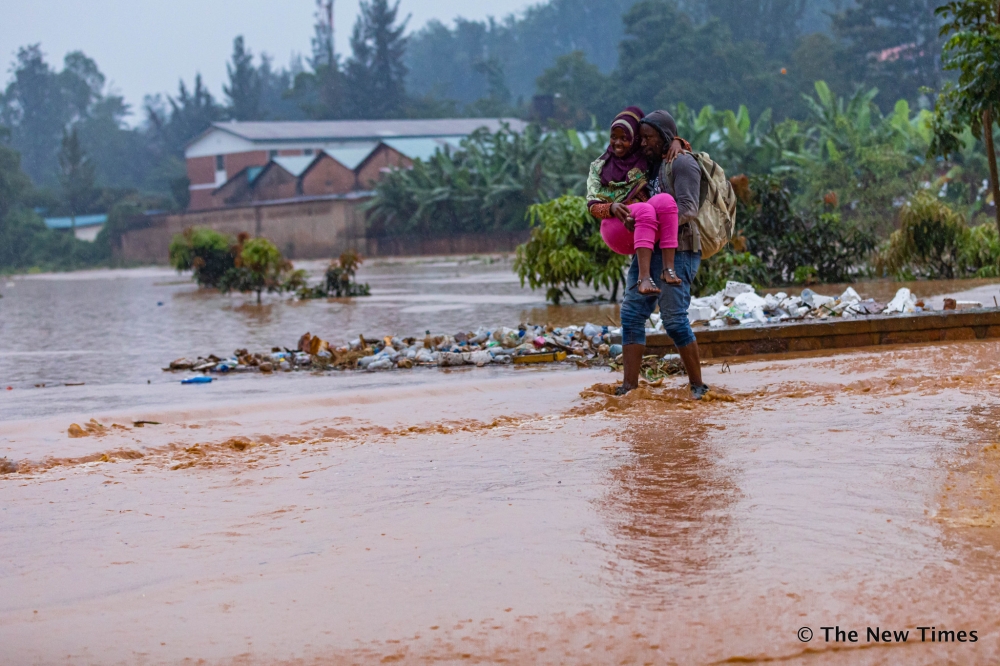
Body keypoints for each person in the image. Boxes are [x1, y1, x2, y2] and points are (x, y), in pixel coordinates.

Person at [616, 109, 710, 399]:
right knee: (631, 315)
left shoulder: (682, 164)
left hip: (678, 250)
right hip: (647, 249)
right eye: (641, 138)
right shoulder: (652, 165)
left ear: (665, 138)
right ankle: (629, 388)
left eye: (649, 138)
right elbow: (617, 149)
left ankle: (697, 386)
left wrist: (655, 224)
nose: (642, 143)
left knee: (673, 320)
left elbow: (689, 209)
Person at [586, 108, 684, 296]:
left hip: (646, 224)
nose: (618, 143)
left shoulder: (644, 157)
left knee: (666, 202)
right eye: (614, 137)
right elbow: (591, 205)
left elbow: (661, 140)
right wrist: (612, 207)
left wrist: (677, 142)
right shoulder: (599, 167)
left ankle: (668, 269)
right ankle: (644, 278)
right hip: (616, 225)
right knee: (646, 209)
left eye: (625, 138)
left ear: (635, 140)